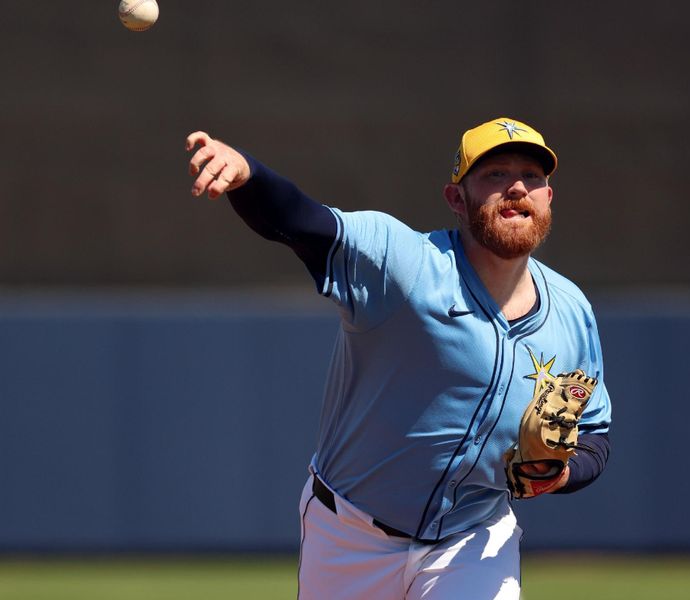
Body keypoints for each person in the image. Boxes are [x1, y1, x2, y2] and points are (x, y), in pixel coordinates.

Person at [186, 117, 612, 600]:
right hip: (350, 536)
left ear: (548, 200)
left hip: (472, 539)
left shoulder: (571, 310)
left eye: (532, 177)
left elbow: (595, 435)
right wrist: (249, 176)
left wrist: (563, 472)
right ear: (457, 199)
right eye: (495, 174)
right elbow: (306, 223)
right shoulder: (406, 264)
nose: (517, 186)